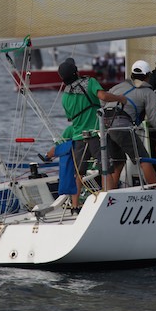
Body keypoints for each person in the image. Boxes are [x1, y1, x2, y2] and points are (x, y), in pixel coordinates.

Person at [44, 58, 127, 212]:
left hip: (78, 138)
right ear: (76, 72)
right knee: (106, 169)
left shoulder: (65, 96)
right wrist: (119, 98)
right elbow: (103, 96)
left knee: (78, 174)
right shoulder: (89, 82)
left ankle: (75, 206)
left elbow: (70, 118)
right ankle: (109, 203)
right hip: (95, 133)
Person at [103, 60, 156, 187]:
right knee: (144, 159)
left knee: (118, 162)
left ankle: (110, 193)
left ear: (132, 74)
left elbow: (102, 103)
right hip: (122, 127)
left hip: (105, 127)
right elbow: (154, 120)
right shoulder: (148, 92)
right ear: (148, 76)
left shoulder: (118, 86)